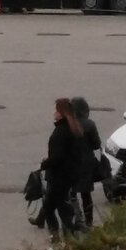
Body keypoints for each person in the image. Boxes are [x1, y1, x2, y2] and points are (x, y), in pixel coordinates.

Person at [39, 98, 84, 240]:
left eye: (56, 110)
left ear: (61, 113)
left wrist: (45, 163)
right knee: (60, 206)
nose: (54, 113)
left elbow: (57, 156)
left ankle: (58, 236)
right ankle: (67, 235)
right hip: (68, 176)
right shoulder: (74, 128)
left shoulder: (60, 131)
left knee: (53, 208)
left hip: (58, 177)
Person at [71, 96, 103, 227]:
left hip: (71, 162)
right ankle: (89, 222)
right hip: (86, 163)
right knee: (86, 194)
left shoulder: (69, 123)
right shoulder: (89, 124)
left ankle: (75, 220)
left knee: (70, 193)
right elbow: (96, 144)